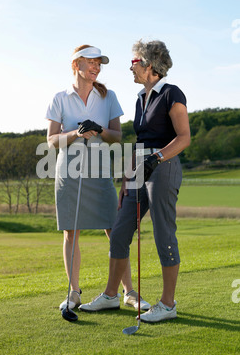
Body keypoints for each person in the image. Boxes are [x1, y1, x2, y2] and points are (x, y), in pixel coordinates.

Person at [79, 39, 191, 323]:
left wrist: (158, 158)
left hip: (163, 168)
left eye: (133, 62)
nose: (130, 68)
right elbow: (140, 142)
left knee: (163, 233)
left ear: (149, 65)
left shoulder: (171, 94)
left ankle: (167, 304)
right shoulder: (141, 98)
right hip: (139, 169)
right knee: (119, 231)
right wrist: (128, 178)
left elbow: (184, 137)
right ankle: (111, 295)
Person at [46, 45, 150, 311]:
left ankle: (128, 292)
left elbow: (117, 136)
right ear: (76, 63)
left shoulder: (108, 96)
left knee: (114, 230)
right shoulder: (60, 97)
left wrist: (99, 129)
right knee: (71, 231)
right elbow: (51, 141)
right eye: (91, 62)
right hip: (68, 171)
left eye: (99, 64)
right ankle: (74, 292)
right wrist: (75, 134)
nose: (96, 67)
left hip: (100, 170)